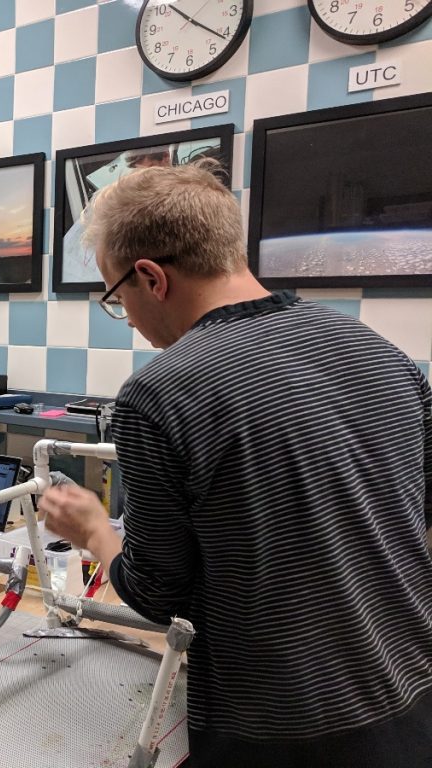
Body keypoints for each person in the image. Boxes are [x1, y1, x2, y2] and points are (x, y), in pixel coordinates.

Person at [38, 161, 432, 767]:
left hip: (278, 731)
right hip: (414, 694)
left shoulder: (159, 393)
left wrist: (93, 528)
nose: (132, 321)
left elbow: (155, 591)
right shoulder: (386, 356)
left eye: (118, 298)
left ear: (151, 277)